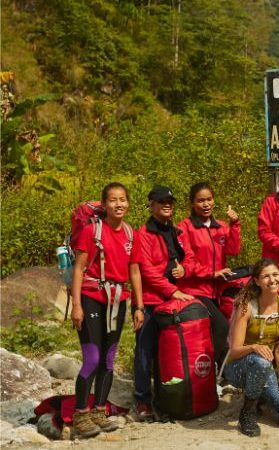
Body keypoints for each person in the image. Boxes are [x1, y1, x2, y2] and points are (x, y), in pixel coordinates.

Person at [70, 182, 144, 439]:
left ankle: (99, 412)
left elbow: (134, 270)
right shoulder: (92, 231)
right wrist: (77, 306)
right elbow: (78, 268)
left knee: (109, 358)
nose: (118, 204)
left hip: (118, 300)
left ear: (129, 203)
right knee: (92, 357)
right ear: (104, 204)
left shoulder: (131, 234)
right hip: (91, 297)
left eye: (122, 199)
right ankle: (81, 414)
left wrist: (138, 306)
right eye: (113, 200)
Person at [223, 258, 279, 437]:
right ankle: (248, 411)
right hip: (237, 367)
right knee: (260, 362)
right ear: (257, 281)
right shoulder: (246, 307)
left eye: (275, 275)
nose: (272, 280)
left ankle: (261, 395)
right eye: (265, 276)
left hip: (266, 369)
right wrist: (254, 347)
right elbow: (234, 350)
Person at [134, 186, 196, 420]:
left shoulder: (177, 231)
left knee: (168, 350)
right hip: (152, 300)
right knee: (144, 350)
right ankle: (142, 399)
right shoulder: (144, 234)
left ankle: (165, 398)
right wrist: (171, 290)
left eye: (170, 201)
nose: (167, 205)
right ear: (151, 205)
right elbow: (146, 270)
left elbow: (189, 256)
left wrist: (185, 269)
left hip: (174, 299)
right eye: (161, 202)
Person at [178, 182, 241, 370]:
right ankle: (204, 372)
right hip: (194, 290)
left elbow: (233, 249)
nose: (206, 204)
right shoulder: (184, 227)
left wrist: (235, 224)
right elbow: (187, 263)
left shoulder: (220, 226)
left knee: (226, 328)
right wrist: (211, 274)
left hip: (217, 292)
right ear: (192, 204)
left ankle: (220, 374)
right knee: (221, 327)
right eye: (200, 201)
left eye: (209, 199)